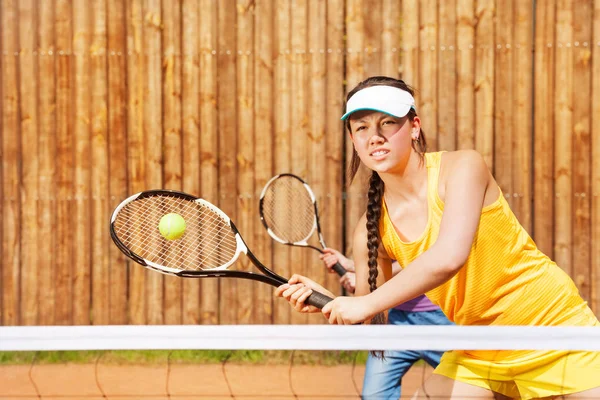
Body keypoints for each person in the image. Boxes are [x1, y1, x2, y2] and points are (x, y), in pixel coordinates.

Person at [275, 76, 600, 399]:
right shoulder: (369, 230)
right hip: (482, 347)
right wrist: (327, 302)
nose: (374, 137)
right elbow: (370, 317)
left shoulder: (462, 167)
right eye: (361, 128)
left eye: (387, 123)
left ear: (414, 127)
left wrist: (363, 305)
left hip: (554, 329)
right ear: (353, 140)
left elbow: (448, 257)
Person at [320, 248, 452, 400]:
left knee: (474, 383)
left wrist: (363, 276)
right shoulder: (371, 228)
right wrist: (356, 270)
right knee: (374, 396)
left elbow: (424, 256)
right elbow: (383, 263)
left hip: (443, 320)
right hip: (395, 323)